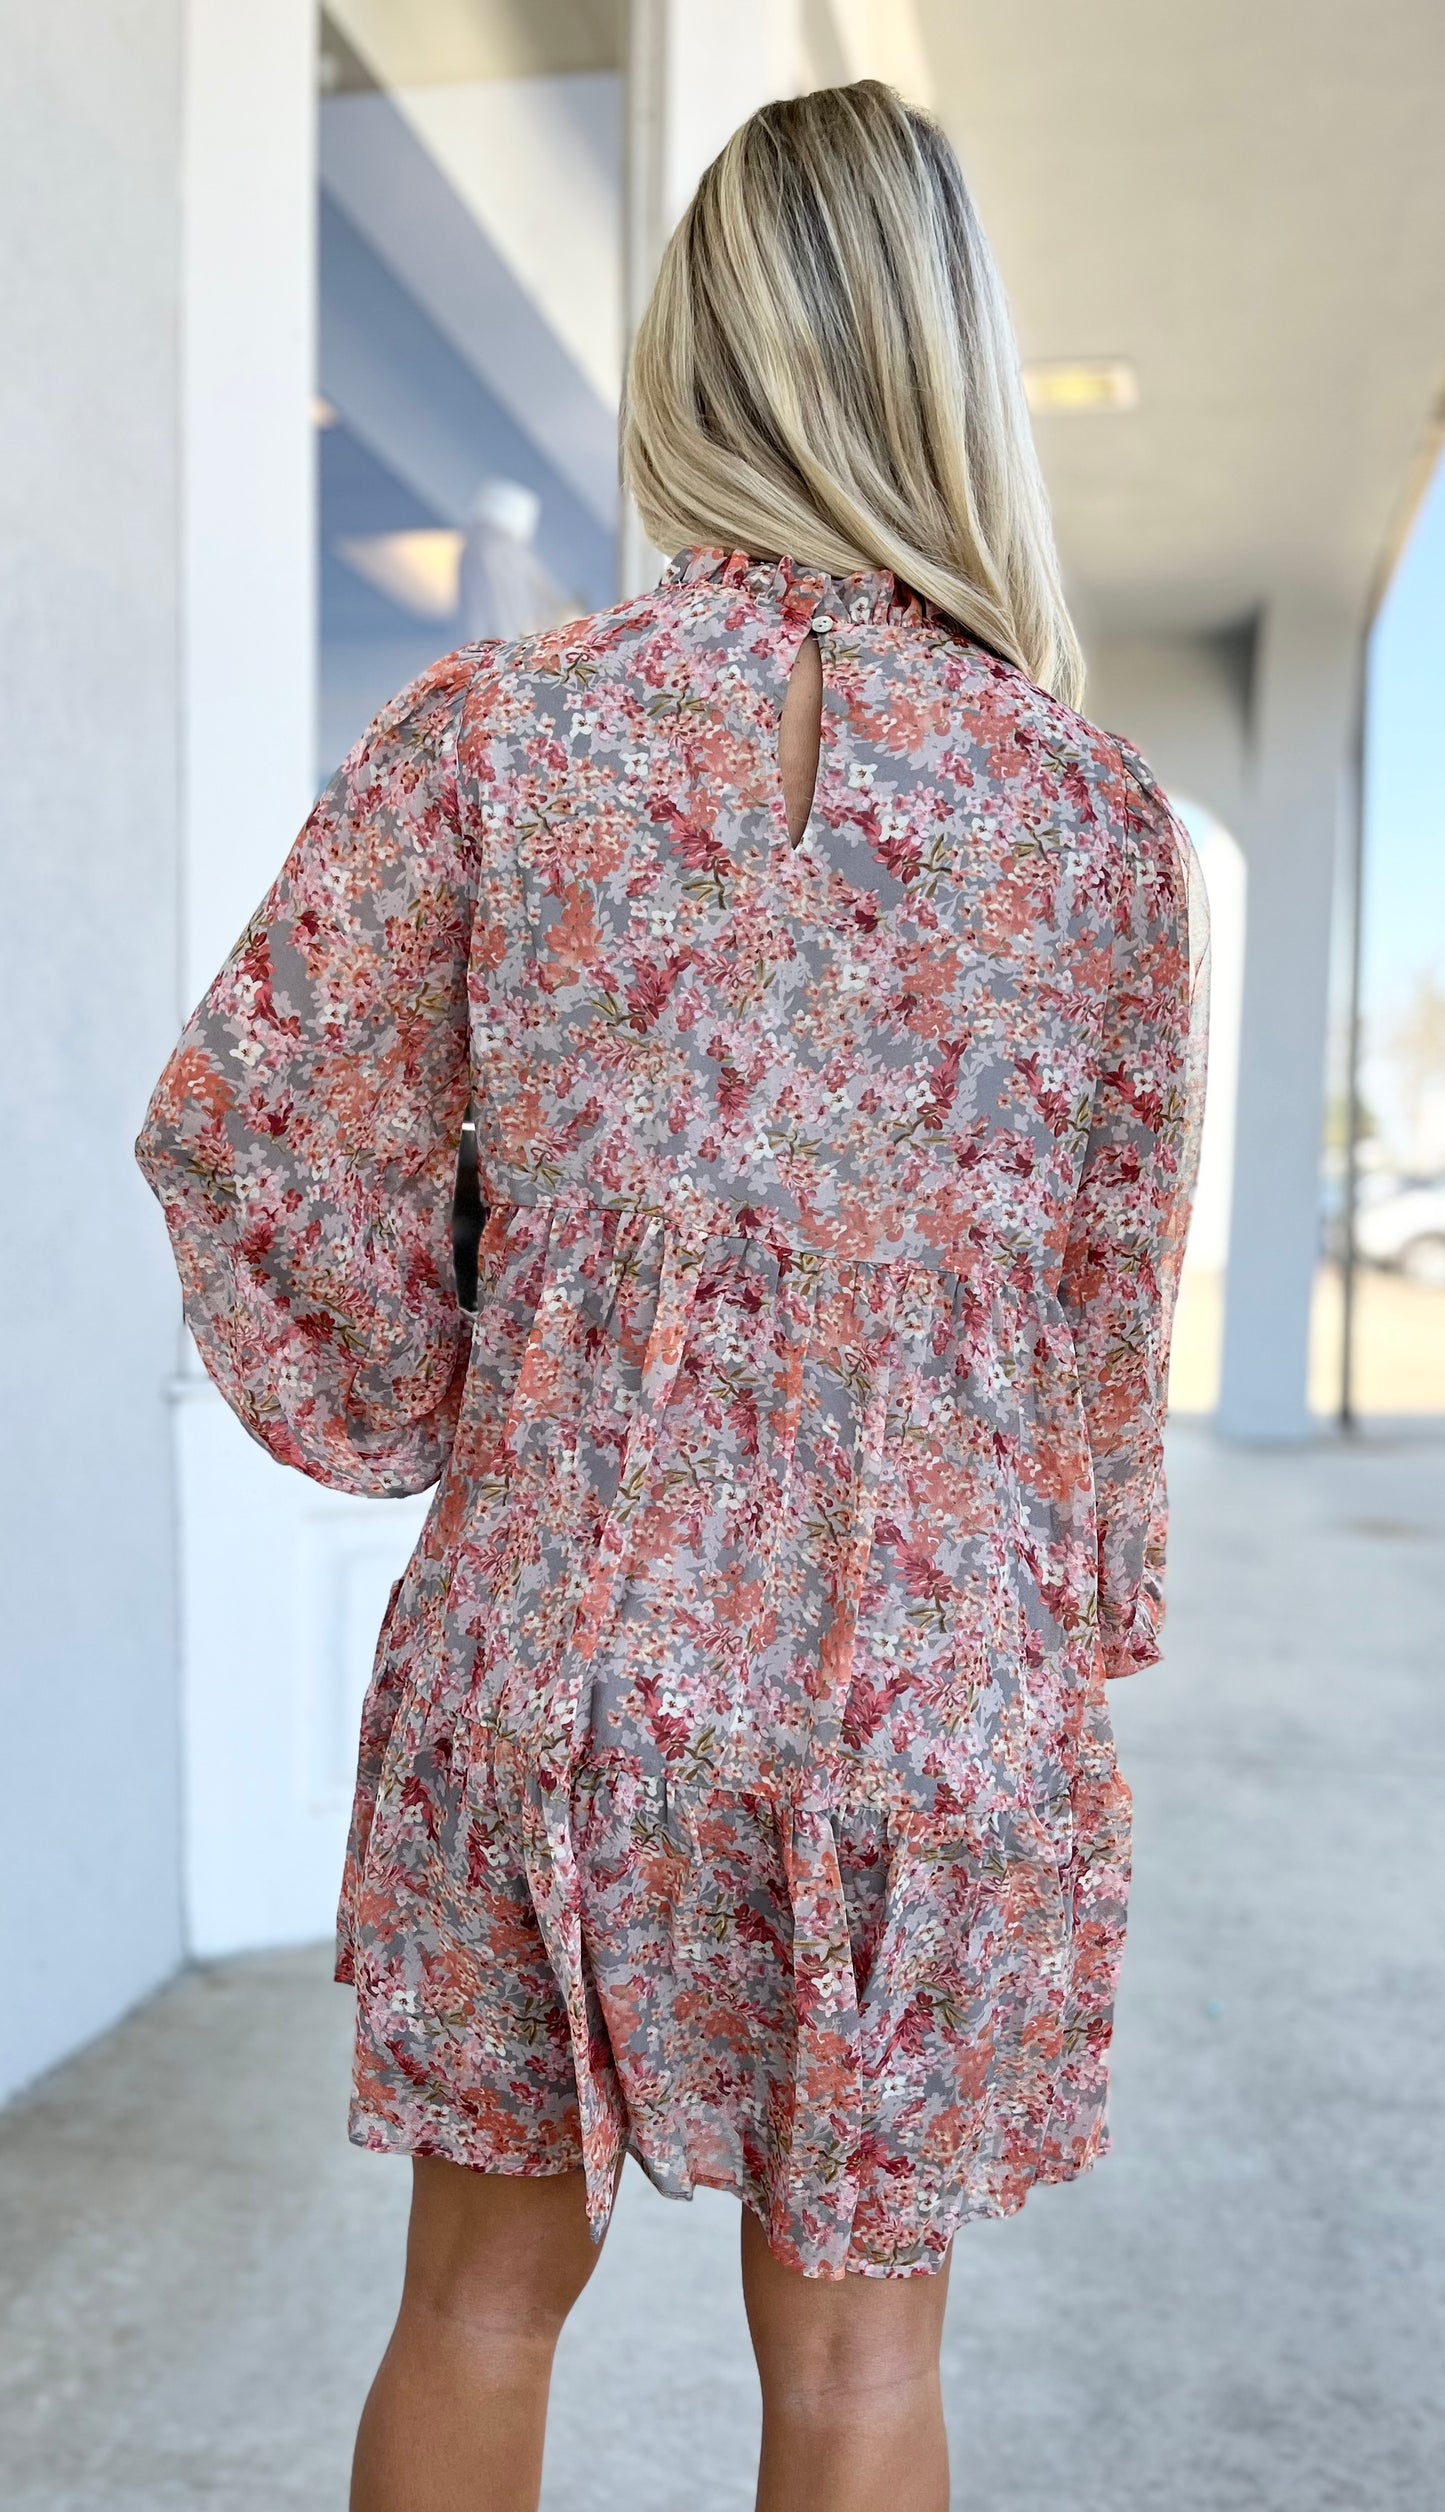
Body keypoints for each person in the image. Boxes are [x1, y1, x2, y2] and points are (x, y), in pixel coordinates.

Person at [138, 79, 1204, 2512]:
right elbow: (1090, 1325)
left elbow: (251, 1125)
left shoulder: (507, 740)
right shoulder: (1093, 821)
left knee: (473, 2302)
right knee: (854, 2378)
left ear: (694, 359)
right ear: (948, 365)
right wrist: (1055, 1637)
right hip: (915, 1690)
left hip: (557, 1661)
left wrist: (470, 1381)